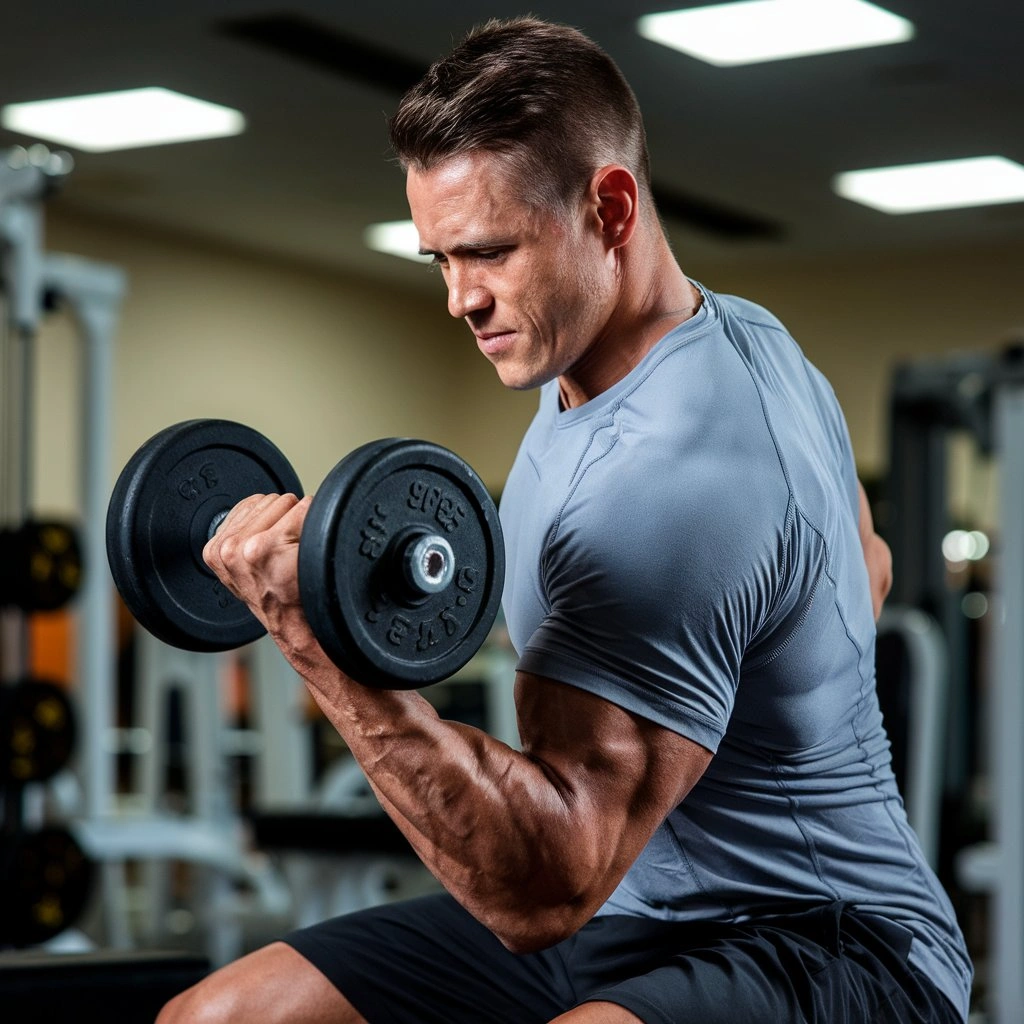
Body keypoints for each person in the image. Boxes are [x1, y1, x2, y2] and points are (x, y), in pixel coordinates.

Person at [158, 17, 971, 1024]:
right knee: (224, 1018)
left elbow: (542, 891)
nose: (459, 298)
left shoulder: (677, 472)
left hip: (830, 937)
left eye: (489, 251)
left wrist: (310, 634)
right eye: (438, 259)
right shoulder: (736, 337)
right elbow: (866, 564)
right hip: (633, 911)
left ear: (609, 208)